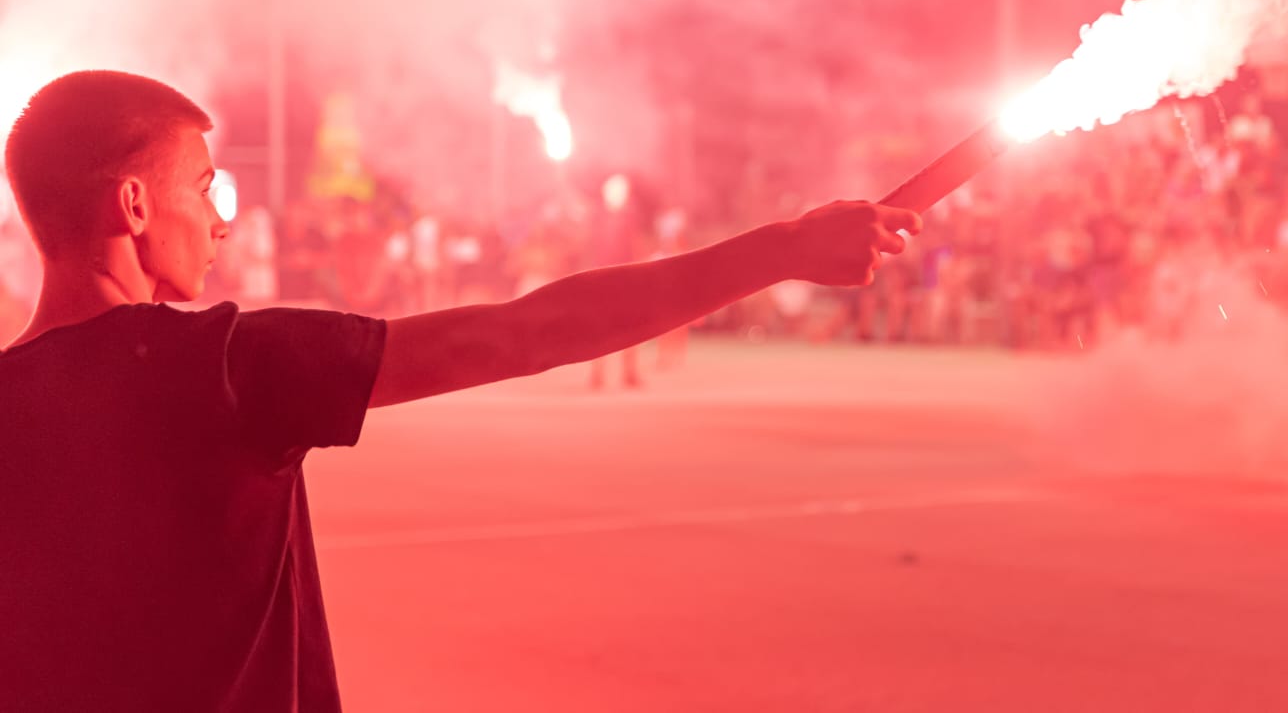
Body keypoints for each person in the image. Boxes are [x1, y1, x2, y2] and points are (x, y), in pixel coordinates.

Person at [0, 70, 919, 713]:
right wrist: (782, 250)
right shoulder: (228, 369)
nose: (221, 222)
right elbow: (524, 333)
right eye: (205, 189)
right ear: (133, 206)